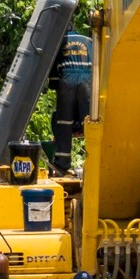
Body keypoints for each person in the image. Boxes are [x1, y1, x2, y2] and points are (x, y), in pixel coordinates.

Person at [50, 28, 93, 175]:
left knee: (63, 122)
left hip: (67, 79)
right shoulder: (88, 41)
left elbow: (54, 72)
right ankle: (94, 161)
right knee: (90, 122)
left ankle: (62, 164)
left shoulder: (59, 41)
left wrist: (55, 85)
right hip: (87, 80)